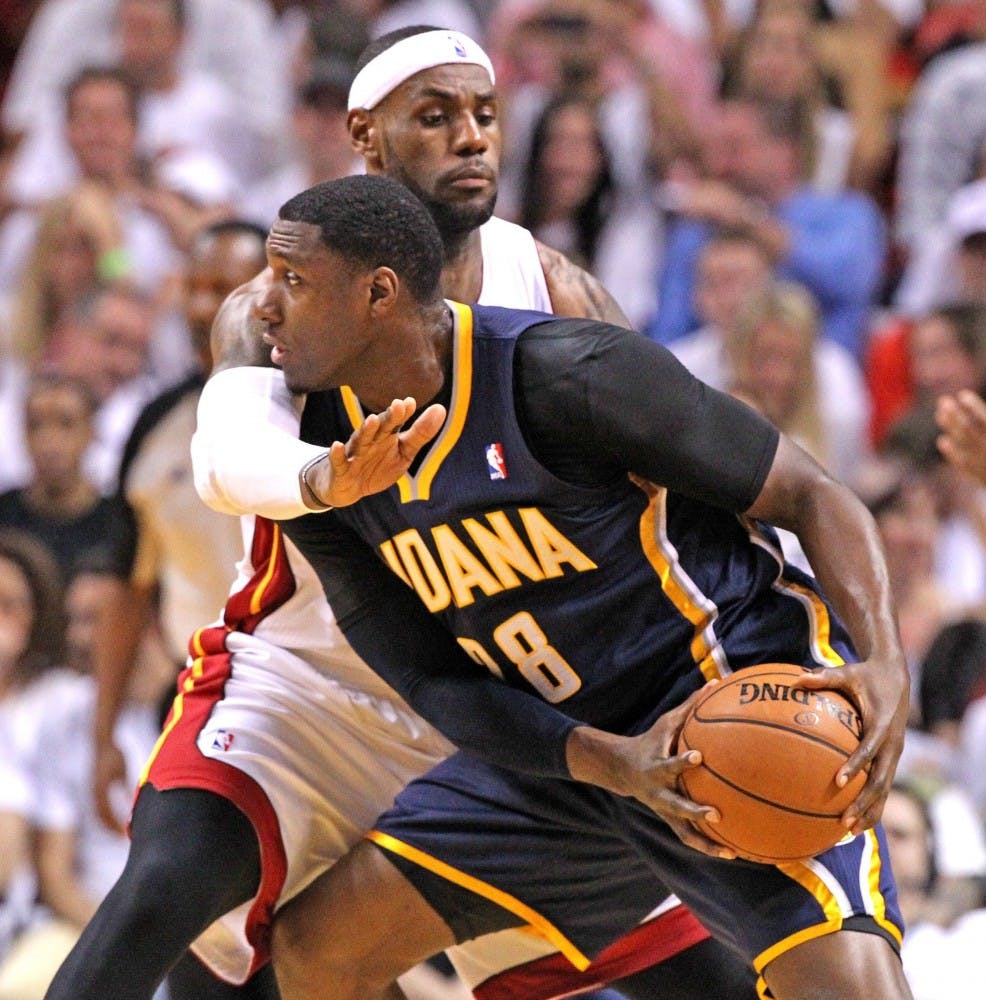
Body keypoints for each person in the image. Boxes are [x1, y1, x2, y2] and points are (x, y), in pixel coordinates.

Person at [50, 27, 756, 1000]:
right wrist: (321, 481)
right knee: (165, 896)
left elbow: (674, 503)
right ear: (365, 136)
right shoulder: (277, 297)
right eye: (433, 116)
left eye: (483, 115)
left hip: (492, 714)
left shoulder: (555, 293)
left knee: (713, 971)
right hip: (305, 690)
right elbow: (224, 456)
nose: (468, 137)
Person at [193, 172, 911, 1000]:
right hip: (569, 752)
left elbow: (812, 494)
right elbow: (432, 677)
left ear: (377, 295)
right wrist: (606, 762)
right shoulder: (319, 467)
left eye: (293, 281)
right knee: (320, 951)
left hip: (721, 705)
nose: (263, 308)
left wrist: (887, 659)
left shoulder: (564, 375)